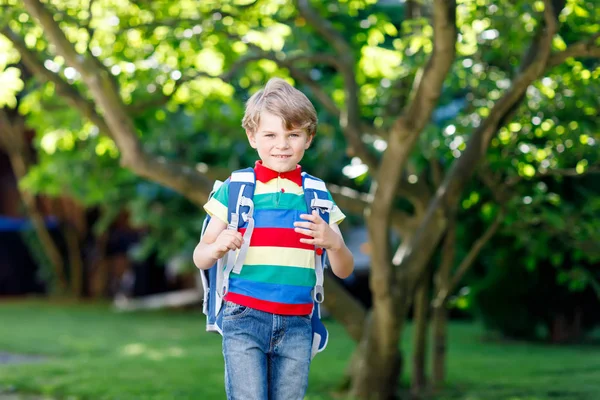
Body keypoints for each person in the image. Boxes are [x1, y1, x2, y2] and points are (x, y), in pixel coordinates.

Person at [193, 77, 354, 400]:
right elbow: (200, 256)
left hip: (298, 321)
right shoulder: (235, 189)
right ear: (252, 137)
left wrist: (333, 243)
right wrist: (218, 245)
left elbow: (344, 269)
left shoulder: (317, 195)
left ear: (308, 138)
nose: (282, 144)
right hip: (244, 316)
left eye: (293, 134)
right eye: (270, 135)